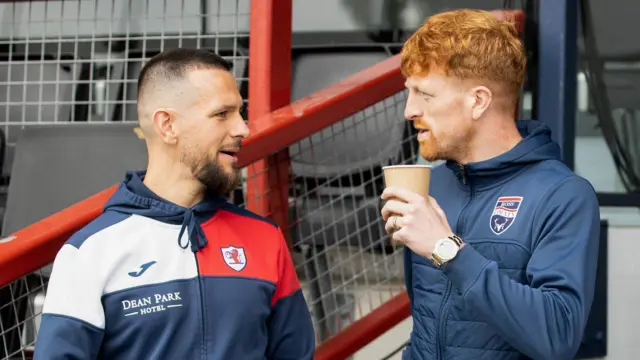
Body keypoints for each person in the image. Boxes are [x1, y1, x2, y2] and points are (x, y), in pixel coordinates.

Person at [34, 48, 315, 359]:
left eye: (240, 113)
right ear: (167, 125)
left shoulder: (266, 239)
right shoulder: (90, 253)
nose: (242, 129)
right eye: (222, 114)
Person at [381, 9, 600, 360]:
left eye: (425, 94)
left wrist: (446, 249)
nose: (409, 110)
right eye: (409, 92)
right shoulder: (431, 187)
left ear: (478, 101)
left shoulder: (563, 196)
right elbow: (426, 321)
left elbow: (558, 337)